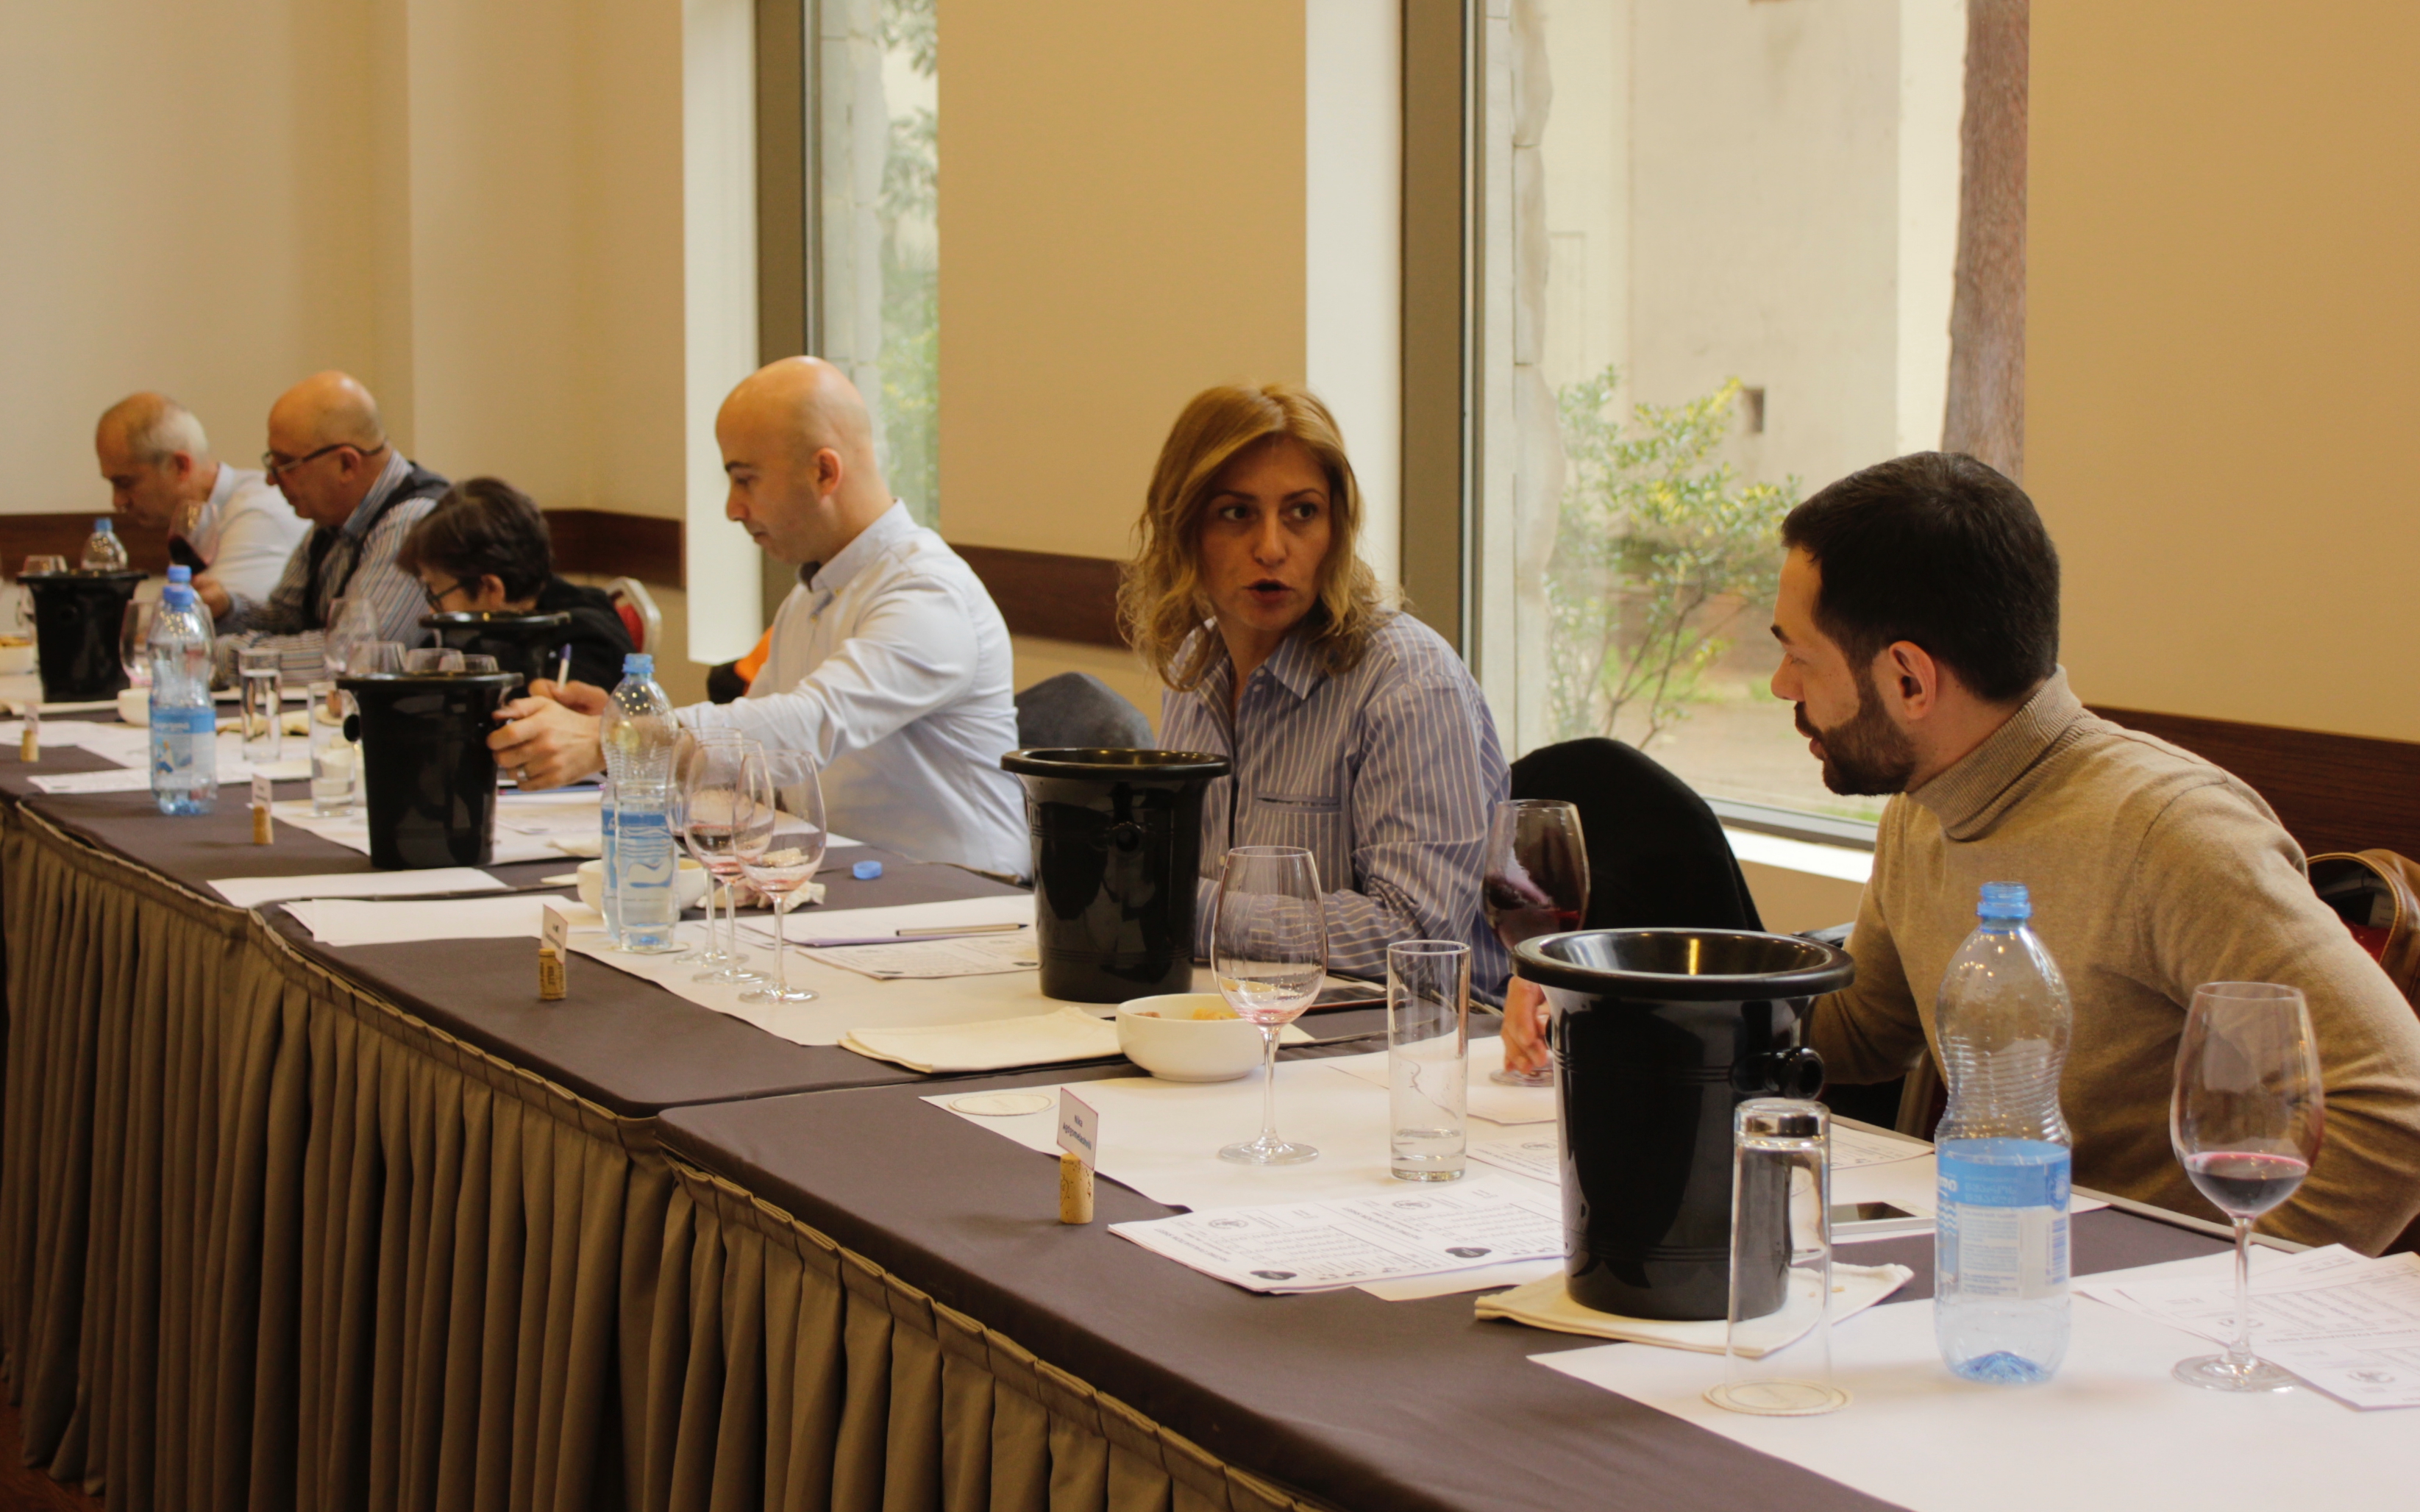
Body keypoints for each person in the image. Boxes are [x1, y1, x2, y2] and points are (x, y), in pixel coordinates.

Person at [1507, 451, 2420, 1252]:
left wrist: (2203, 1285)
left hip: (2114, 1330)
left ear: (1907, 679)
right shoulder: (1927, 802)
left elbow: (2395, 1108)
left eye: (1800, 657)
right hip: (1997, 1274)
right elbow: (1864, 1025)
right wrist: (1611, 1005)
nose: (1781, 685)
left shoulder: (2169, 834)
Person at [488, 357, 1027, 876]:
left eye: (745, 479)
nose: (732, 509)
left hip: (961, 896)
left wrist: (619, 739)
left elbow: (806, 726)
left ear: (823, 472)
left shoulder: (928, 592)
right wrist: (619, 723)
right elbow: (746, 754)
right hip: (860, 878)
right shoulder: (814, 593)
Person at [1124, 382, 1509, 993]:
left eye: (1302, 513)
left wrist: (1178, 909)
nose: (1272, 548)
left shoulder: (1409, 681)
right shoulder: (1197, 662)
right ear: (1184, 528)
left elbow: (1414, 938)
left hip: (1409, 1033)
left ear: (1337, 530)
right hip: (1243, 1014)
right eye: (1237, 514)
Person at [212, 371, 449, 677]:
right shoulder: (335, 518)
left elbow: (355, 659)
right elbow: (287, 618)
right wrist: (228, 609)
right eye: (272, 462)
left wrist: (221, 656)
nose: (271, 479)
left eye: (286, 464)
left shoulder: (412, 523)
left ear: (346, 464)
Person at [397, 477, 633, 688]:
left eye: (435, 592)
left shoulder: (585, 648)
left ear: (491, 589)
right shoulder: (481, 634)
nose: (432, 609)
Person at [93, 392, 309, 618]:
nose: (118, 502)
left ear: (180, 466)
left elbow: (206, 626)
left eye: (125, 483)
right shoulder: (190, 519)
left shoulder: (258, 514)